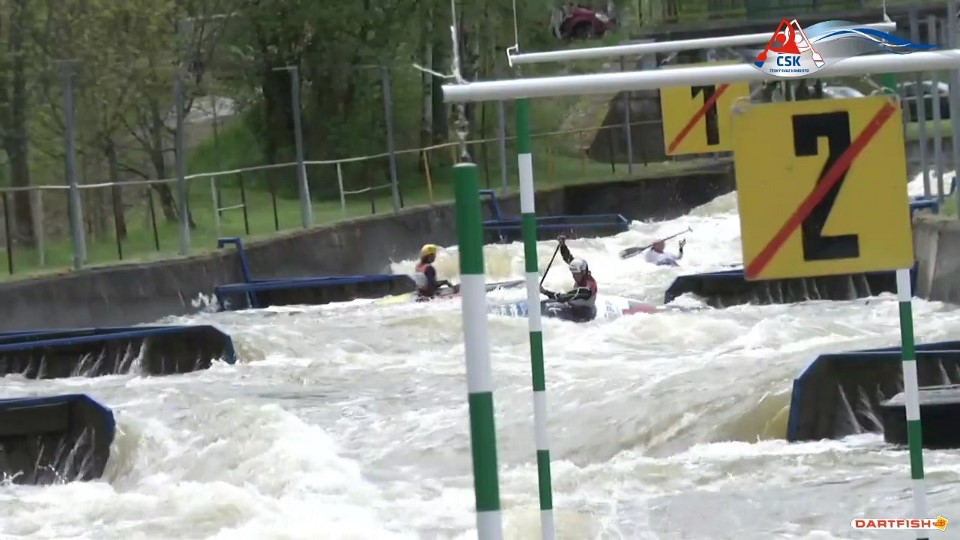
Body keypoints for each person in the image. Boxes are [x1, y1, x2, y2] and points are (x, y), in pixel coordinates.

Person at [539, 235, 598, 322]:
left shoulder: (588, 287)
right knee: (543, 303)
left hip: (583, 313)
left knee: (550, 310)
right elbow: (569, 259)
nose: (574, 276)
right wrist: (563, 246)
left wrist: (545, 292)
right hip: (574, 307)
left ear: (582, 272)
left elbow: (564, 297)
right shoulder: (582, 272)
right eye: (573, 274)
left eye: (576, 274)